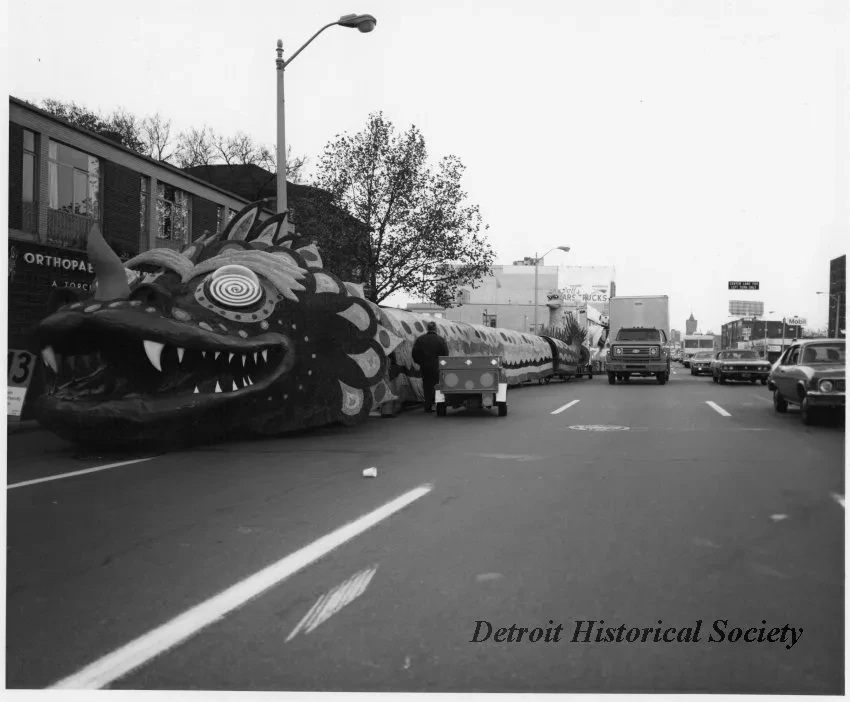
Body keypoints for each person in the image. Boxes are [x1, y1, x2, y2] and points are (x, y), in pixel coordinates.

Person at [412, 320, 449, 412]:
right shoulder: (440, 340)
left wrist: (420, 363)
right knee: (438, 385)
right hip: (437, 366)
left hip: (424, 366)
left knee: (427, 386)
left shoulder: (420, 339)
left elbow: (414, 354)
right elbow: (445, 354)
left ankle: (427, 406)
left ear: (427, 328)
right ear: (436, 329)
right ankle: (438, 405)